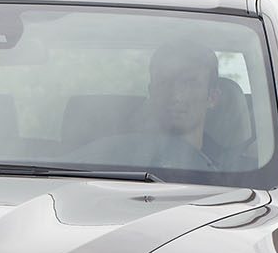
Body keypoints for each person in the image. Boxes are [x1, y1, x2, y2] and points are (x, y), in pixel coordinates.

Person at [72, 37, 225, 171]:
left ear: (212, 97)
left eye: (190, 82)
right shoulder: (104, 157)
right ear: (151, 92)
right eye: (164, 82)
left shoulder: (235, 173)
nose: (175, 96)